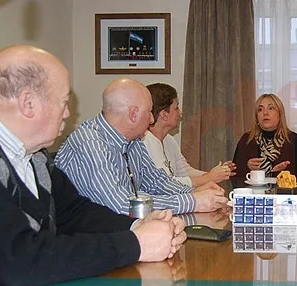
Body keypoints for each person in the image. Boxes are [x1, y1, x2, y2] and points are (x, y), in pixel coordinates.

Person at [0, 45, 186, 286]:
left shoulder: (32, 153)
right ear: (28, 103)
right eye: (64, 102)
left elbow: (73, 211)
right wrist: (135, 244)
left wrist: (138, 226)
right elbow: (19, 260)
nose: (67, 114)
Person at [55, 78, 227, 216]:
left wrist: (194, 191)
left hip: (114, 233)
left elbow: (157, 183)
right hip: (84, 240)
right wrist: (194, 201)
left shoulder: (133, 140)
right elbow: (122, 206)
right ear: (133, 114)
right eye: (149, 112)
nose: (152, 120)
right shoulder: (90, 143)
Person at [143, 82, 236, 187]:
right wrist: (209, 177)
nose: (180, 113)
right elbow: (166, 185)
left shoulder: (169, 140)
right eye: (176, 108)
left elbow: (184, 171)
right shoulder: (145, 143)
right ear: (164, 115)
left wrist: (216, 173)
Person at [232, 93, 297, 182]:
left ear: (280, 114)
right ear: (256, 117)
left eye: (271, 108)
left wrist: (282, 173)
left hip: (283, 194)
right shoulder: (247, 140)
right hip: (252, 194)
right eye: (260, 110)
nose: (265, 113)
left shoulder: (292, 139)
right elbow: (234, 176)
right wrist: (248, 168)